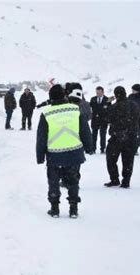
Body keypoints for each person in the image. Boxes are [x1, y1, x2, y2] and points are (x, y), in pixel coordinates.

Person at [36, 84, 93, 218]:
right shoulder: (75, 110)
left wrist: (40, 156)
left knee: (54, 183)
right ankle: (73, 209)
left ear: (50, 97)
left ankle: (54, 209)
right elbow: (85, 131)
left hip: (54, 155)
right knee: (73, 182)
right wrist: (89, 147)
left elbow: (41, 138)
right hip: (74, 153)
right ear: (64, 96)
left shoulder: (46, 113)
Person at [104, 86, 140, 188]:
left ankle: (114, 179)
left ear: (116, 95)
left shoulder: (114, 107)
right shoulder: (134, 105)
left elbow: (107, 118)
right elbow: (139, 121)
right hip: (131, 137)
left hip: (117, 138)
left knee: (111, 159)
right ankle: (126, 181)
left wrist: (108, 103)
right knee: (128, 161)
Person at [90, 86, 110, 154]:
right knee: (93, 136)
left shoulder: (107, 100)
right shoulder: (93, 99)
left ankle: (102, 149)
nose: (97, 94)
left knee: (103, 135)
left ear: (103, 92)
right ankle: (93, 148)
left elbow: (109, 110)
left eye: (99, 93)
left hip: (103, 120)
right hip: (95, 120)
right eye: (97, 93)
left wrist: (108, 119)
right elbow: (91, 108)